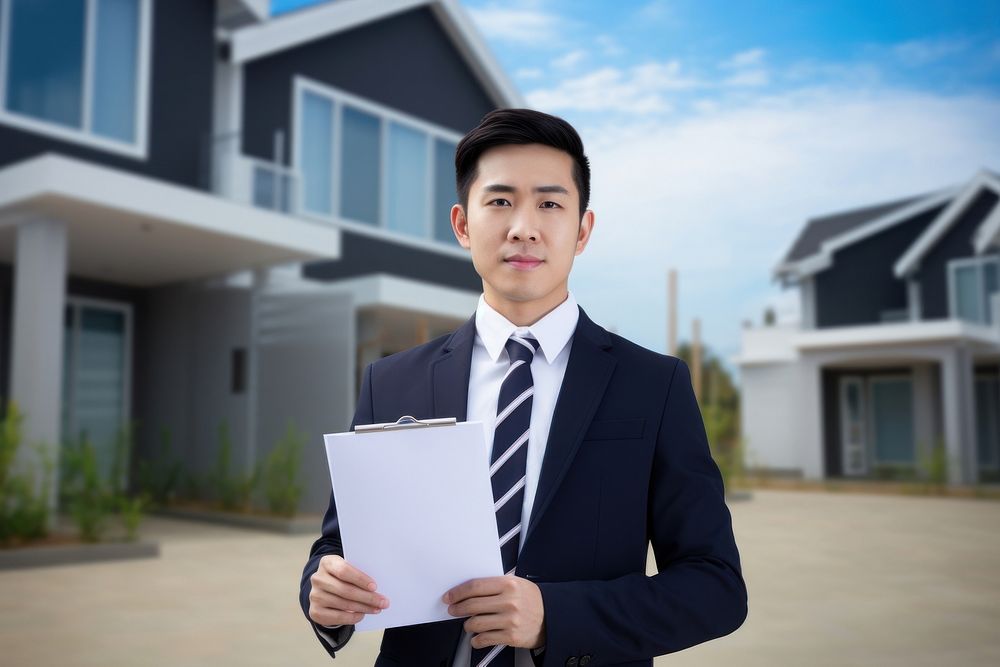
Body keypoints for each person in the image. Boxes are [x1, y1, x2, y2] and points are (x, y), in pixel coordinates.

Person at [300, 108, 747, 666]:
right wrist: (324, 590)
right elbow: (338, 546)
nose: (523, 227)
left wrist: (555, 617)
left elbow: (716, 588)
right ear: (463, 224)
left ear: (582, 230)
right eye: (501, 201)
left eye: (550, 203)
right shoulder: (392, 382)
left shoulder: (653, 386)